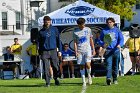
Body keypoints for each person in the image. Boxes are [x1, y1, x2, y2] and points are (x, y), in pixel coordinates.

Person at [99, 17, 124, 85]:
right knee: (108, 65)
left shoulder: (117, 30)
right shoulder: (104, 31)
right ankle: (108, 78)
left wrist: (120, 44)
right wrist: (103, 44)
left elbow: (121, 39)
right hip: (108, 51)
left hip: (116, 51)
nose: (109, 23)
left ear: (113, 23)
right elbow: (100, 40)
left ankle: (115, 79)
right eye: (108, 22)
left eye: (110, 22)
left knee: (115, 66)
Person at [38, 16, 62, 87]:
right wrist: (39, 53)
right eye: (46, 21)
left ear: (50, 21)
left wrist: (59, 50)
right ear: (44, 22)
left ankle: (56, 78)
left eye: (48, 21)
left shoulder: (55, 29)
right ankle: (47, 82)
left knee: (55, 66)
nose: (47, 22)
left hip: (53, 50)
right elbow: (39, 43)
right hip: (44, 52)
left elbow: (58, 40)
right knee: (46, 67)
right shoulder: (41, 32)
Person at [73, 18, 95, 87]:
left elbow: (91, 39)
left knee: (88, 64)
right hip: (80, 50)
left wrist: (93, 49)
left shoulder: (88, 29)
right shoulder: (75, 32)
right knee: (81, 65)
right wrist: (76, 51)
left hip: (87, 49)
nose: (83, 25)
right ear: (78, 24)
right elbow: (75, 42)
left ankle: (89, 76)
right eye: (81, 24)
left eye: (83, 24)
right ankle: (83, 80)